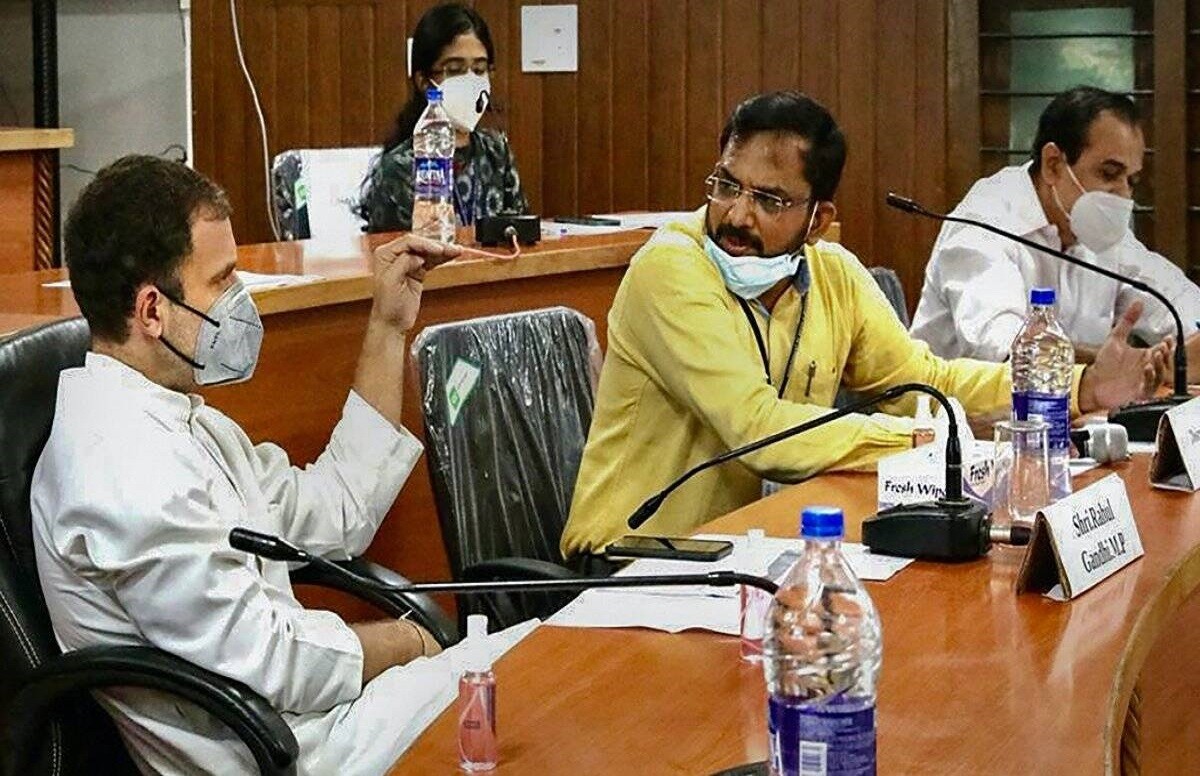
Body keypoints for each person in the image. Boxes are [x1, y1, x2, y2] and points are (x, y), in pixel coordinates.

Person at [559, 91, 1162, 561]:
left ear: (819, 219)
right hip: (630, 557)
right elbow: (757, 429)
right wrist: (924, 442)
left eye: (770, 200)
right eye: (726, 185)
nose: (737, 214)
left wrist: (1075, 388)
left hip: (737, 551)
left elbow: (924, 381)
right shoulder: (671, 267)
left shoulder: (834, 274)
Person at [31, 155, 467, 774]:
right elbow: (274, 662)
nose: (241, 300)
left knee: (554, 669)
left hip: (329, 721)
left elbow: (336, 511)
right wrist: (409, 640)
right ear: (152, 311)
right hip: (290, 752)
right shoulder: (121, 469)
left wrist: (388, 325)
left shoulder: (179, 419)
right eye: (224, 280)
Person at [910, 85, 1200, 368]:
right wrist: (1129, 364)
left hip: (1073, 401)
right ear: (1053, 164)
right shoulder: (986, 221)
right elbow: (1005, 350)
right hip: (955, 400)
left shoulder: (1099, 228)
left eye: (1132, 181)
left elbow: (1175, 300)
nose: (1124, 194)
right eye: (1109, 173)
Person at [359, 2, 529, 233]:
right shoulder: (399, 168)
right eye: (455, 70)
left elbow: (521, 231)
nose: (471, 81)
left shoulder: (496, 152)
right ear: (423, 81)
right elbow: (392, 249)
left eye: (479, 70)